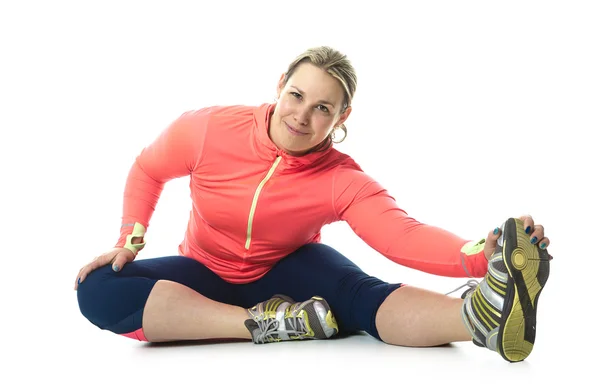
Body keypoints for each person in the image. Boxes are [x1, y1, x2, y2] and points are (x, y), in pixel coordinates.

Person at [74, 46, 552, 363]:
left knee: (359, 294)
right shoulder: (208, 129)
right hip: (204, 271)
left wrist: (481, 252)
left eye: (322, 107)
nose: (301, 116)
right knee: (97, 288)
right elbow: (148, 168)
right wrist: (129, 241)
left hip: (290, 269)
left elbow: (403, 235)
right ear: (280, 84)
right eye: (296, 95)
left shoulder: (341, 178)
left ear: (342, 115)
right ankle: (265, 324)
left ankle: (480, 319)